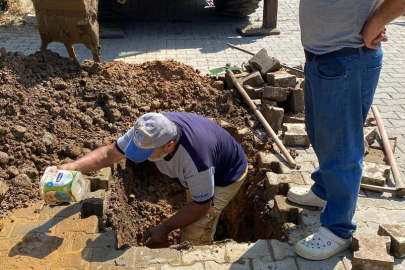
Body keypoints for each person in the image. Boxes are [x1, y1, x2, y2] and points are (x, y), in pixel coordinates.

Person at [287, 0, 405, 261]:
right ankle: (325, 190)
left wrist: (376, 21)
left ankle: (338, 229)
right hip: (325, 59)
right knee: (321, 134)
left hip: (347, 59)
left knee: (341, 150)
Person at [59, 112, 248, 248]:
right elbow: (109, 154)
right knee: (194, 196)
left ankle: (199, 256)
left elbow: (202, 206)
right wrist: (71, 167)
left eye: (147, 153)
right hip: (199, 171)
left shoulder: (196, 161)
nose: (139, 155)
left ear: (169, 145)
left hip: (226, 176)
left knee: (196, 232)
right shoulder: (148, 130)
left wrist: (165, 227)